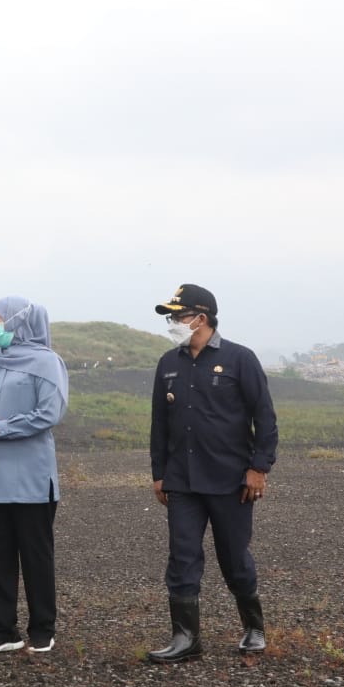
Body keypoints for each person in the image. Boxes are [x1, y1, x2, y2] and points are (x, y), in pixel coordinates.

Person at [147, 284, 278, 663]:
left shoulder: (240, 359)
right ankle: (186, 638)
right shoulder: (168, 364)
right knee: (182, 556)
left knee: (233, 557)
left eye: (177, 316)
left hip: (230, 480)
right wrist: (159, 473)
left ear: (200, 318)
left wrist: (258, 467)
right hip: (182, 481)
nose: (173, 323)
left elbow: (264, 418)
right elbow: (159, 424)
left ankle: (253, 627)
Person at [0, 297, 69, 654]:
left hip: (31, 476)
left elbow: (48, 413)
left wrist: (0, 427)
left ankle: (42, 628)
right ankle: (2, 629)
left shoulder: (47, 363)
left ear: (19, 322)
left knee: (36, 554)